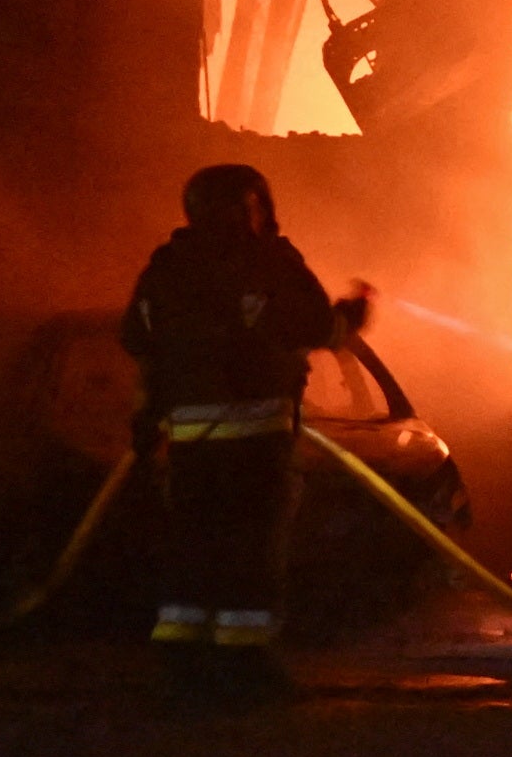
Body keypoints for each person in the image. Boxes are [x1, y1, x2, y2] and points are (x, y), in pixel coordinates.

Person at [121, 160, 350, 689]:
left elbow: (136, 337)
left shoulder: (166, 266)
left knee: (192, 545)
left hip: (189, 442)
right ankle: (245, 664)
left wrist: (152, 409)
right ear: (254, 207)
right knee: (252, 548)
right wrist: (350, 318)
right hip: (256, 438)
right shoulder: (270, 261)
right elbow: (312, 324)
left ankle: (181, 660)